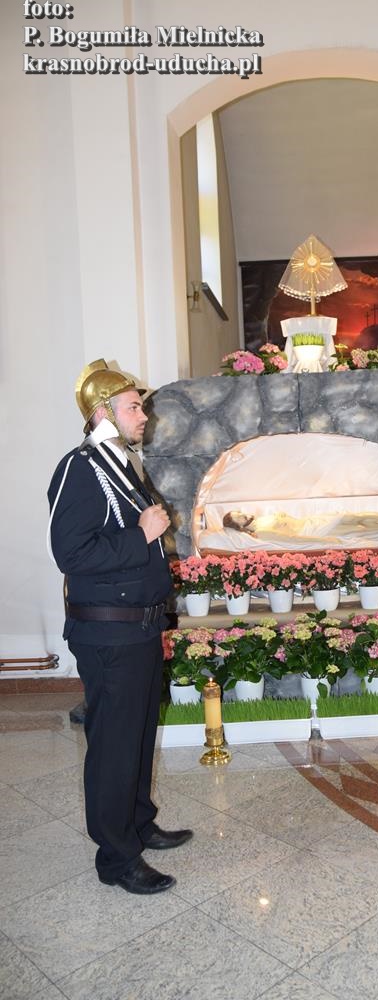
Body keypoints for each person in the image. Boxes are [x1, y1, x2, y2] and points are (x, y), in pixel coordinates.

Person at [48, 360, 193, 894]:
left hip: (138, 629)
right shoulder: (80, 467)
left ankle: (137, 824)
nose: (144, 415)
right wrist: (142, 534)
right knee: (113, 746)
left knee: (137, 734)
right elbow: (70, 553)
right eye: (134, 407)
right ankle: (116, 857)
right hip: (109, 635)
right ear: (103, 413)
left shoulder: (121, 464)